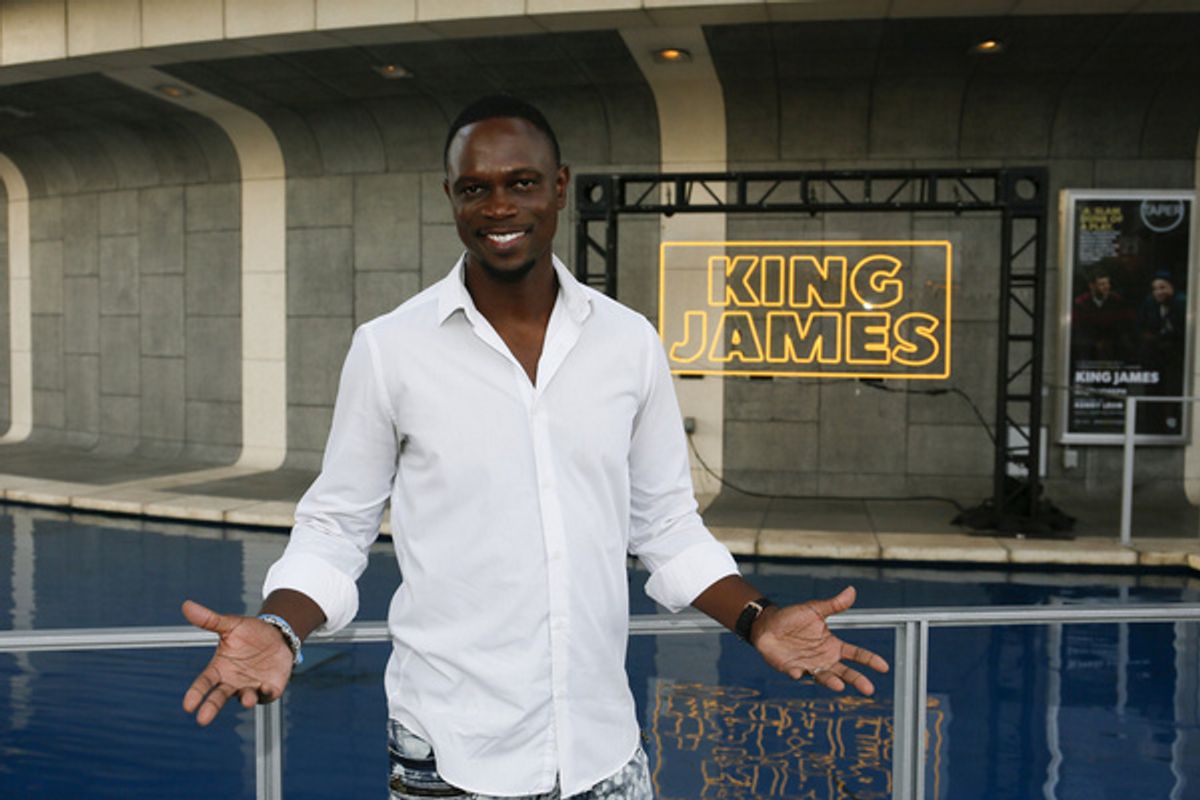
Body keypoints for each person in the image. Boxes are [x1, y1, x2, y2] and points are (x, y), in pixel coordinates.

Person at [181, 95, 888, 800]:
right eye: (474, 188)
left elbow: (666, 525)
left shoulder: (628, 342)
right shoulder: (389, 349)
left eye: (520, 183)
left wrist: (758, 617)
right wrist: (280, 625)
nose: (498, 207)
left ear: (559, 186)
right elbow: (337, 525)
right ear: (451, 198)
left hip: (603, 751)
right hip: (449, 753)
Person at [1071, 263, 1133, 362]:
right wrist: (1094, 342)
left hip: (1113, 343)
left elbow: (1124, 326)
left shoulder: (1117, 301)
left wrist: (1108, 341)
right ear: (1092, 286)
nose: (1106, 287)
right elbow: (1078, 328)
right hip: (1088, 344)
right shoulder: (1081, 303)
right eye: (1102, 284)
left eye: (1107, 283)